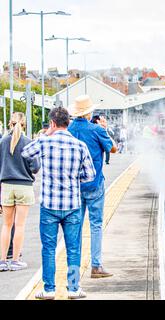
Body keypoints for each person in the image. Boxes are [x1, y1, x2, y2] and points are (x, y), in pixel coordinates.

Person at [22, 107, 96, 300]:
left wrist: (46, 134)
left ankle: (49, 290)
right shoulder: (80, 145)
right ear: (68, 123)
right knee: (73, 248)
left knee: (48, 248)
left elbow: (25, 152)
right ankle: (73, 289)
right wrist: (73, 178)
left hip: (49, 206)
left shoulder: (45, 142)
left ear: (52, 123)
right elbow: (90, 175)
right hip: (72, 206)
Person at [68, 95, 117, 278]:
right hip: (94, 183)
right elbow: (113, 149)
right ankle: (96, 266)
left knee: (76, 225)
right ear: (89, 112)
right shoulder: (97, 129)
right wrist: (105, 130)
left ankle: (74, 267)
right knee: (95, 225)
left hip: (73, 185)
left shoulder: (69, 129)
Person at [0, 113, 40, 271]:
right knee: (20, 225)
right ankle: (16, 261)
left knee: (6, 225)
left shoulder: (2, 142)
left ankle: (2, 261)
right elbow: (36, 167)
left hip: (6, 186)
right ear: (24, 125)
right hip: (24, 186)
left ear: (10, 123)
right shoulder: (29, 142)